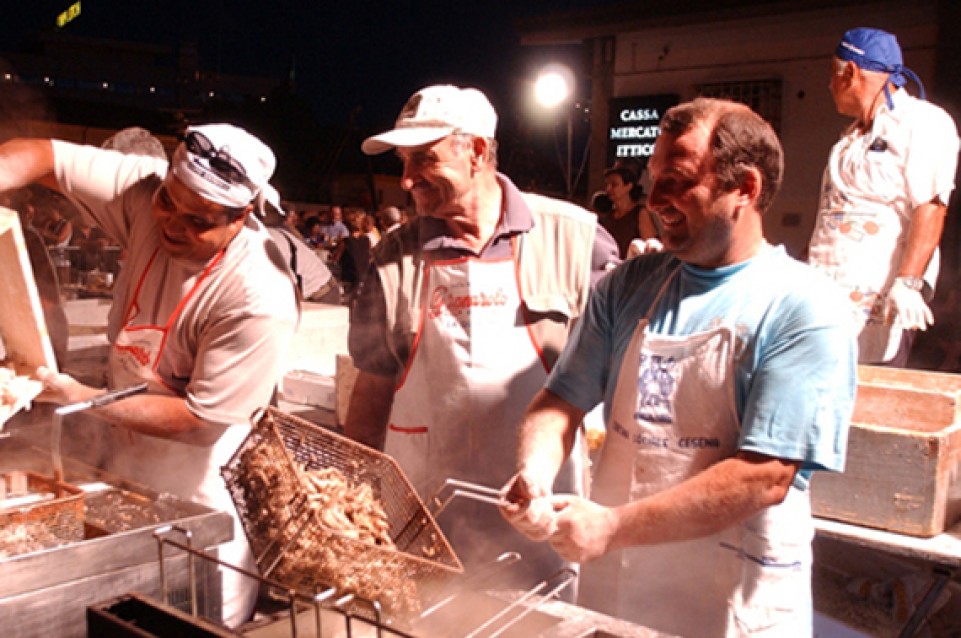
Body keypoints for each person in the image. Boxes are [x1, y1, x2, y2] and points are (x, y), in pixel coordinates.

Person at [499, 97, 857, 636]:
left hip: (731, 593)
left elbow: (764, 476)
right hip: (619, 584)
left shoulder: (803, 306)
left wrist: (613, 525)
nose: (656, 197)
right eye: (652, 177)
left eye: (680, 179)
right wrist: (535, 473)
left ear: (746, 189)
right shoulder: (628, 285)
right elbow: (559, 402)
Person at [0, 124, 300, 628]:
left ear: (241, 216)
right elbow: (40, 155)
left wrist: (79, 395)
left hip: (205, 483)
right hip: (127, 464)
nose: (172, 225)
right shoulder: (147, 191)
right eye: (168, 202)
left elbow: (200, 419)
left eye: (199, 221)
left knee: (190, 620)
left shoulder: (259, 295)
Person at [345, 84, 619, 591]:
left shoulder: (575, 239)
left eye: (422, 159)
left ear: (474, 151)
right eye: (403, 162)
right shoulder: (394, 259)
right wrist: (351, 497)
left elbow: (622, 373)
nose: (405, 181)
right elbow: (372, 388)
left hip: (543, 516)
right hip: (420, 520)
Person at [808, 27, 960, 367]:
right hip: (829, 299)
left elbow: (931, 206)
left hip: (878, 300)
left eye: (832, 74)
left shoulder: (921, 123)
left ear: (849, 72)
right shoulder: (850, 139)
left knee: (867, 397)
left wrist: (908, 282)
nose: (829, 85)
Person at [262, 186, 340, 304]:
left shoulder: (269, 241)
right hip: (315, 291)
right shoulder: (270, 235)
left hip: (322, 294)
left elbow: (294, 290)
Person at [599, 158, 658, 258]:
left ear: (629, 186)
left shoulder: (640, 214)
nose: (608, 189)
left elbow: (650, 252)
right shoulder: (607, 216)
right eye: (607, 184)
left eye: (614, 185)